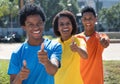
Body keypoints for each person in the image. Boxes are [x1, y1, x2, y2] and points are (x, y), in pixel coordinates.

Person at [7, 3, 62, 84]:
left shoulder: (54, 46)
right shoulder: (17, 53)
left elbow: (53, 71)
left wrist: (46, 61)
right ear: (24, 27)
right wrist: (20, 77)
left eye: (39, 23)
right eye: (30, 24)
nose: (36, 27)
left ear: (43, 23)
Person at [76, 6, 110, 84]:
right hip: (79, 80)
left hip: (96, 81)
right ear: (82, 20)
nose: (88, 21)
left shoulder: (101, 37)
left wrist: (104, 42)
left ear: (95, 19)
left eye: (90, 18)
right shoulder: (76, 39)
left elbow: (106, 42)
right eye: (85, 19)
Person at [52, 10, 88, 84]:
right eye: (61, 24)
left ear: (72, 26)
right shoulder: (53, 44)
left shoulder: (79, 41)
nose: (65, 26)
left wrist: (77, 49)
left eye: (68, 23)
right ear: (57, 28)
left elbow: (85, 56)